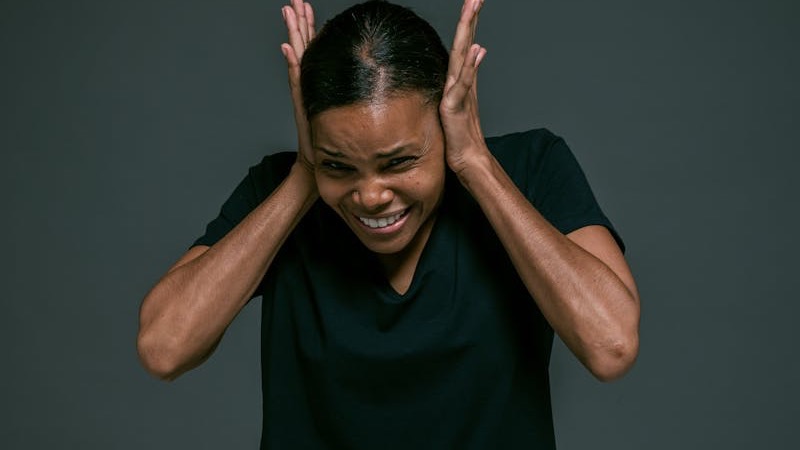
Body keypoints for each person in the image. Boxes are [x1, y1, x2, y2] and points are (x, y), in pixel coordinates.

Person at [137, 0, 641, 448]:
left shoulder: (530, 168)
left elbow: (611, 345)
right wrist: (304, 176)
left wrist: (476, 163)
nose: (371, 195)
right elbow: (164, 348)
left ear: (445, 122)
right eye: (341, 165)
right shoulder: (282, 187)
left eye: (399, 162)